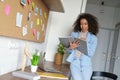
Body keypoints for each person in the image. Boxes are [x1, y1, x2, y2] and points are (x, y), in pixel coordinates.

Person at [66, 13, 99, 80]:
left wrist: (84, 43)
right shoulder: (74, 34)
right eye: (81, 24)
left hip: (86, 65)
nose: (82, 26)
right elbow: (67, 50)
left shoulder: (93, 38)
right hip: (75, 63)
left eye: (85, 24)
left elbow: (91, 53)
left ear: (90, 24)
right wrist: (71, 48)